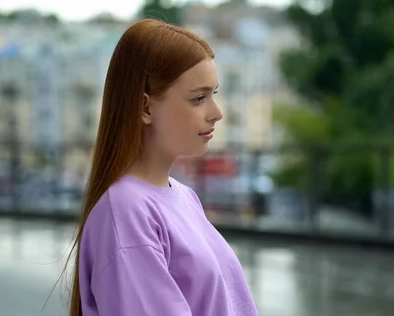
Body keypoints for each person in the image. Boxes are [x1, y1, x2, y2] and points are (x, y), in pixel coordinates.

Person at [67, 19, 259, 316]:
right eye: (198, 99)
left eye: (214, 95)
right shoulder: (126, 212)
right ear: (145, 108)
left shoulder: (183, 197)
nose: (217, 114)